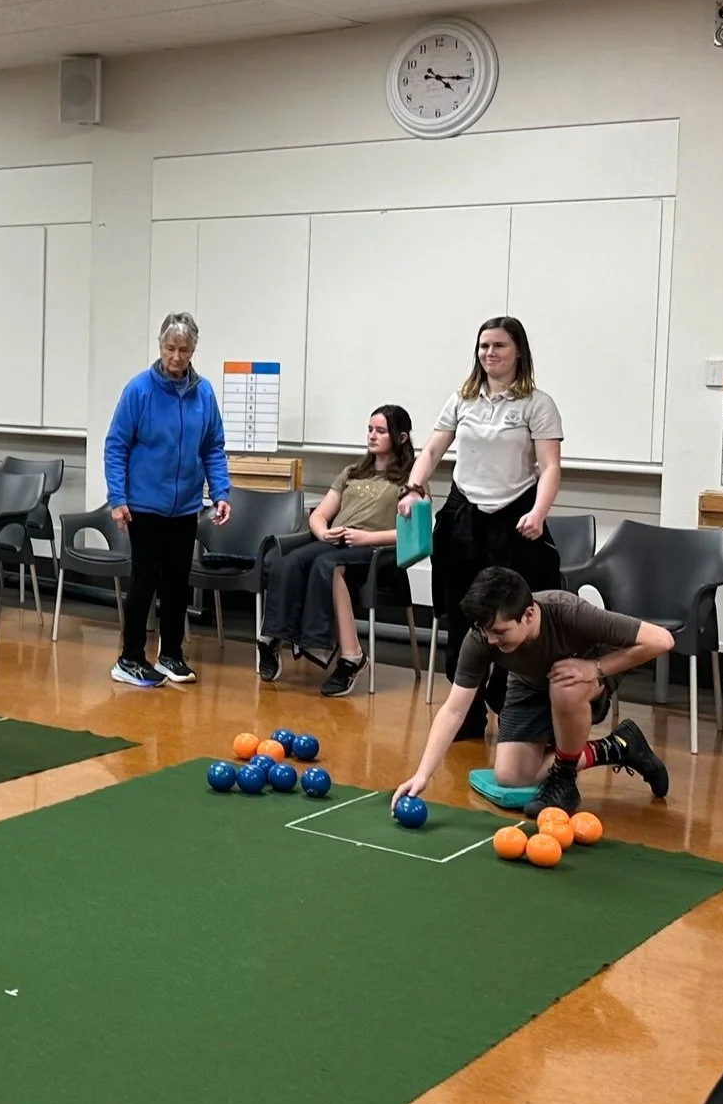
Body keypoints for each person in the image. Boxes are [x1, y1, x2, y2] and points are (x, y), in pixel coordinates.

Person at [393, 567, 672, 820]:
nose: (491, 640)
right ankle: (618, 746)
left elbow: (661, 640)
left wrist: (595, 668)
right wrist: (422, 774)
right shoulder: (482, 636)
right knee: (510, 776)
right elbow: (454, 710)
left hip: (585, 676)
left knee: (565, 684)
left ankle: (563, 776)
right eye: (486, 631)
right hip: (529, 684)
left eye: (500, 632)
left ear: (528, 614)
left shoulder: (567, 611)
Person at [401, 315, 566, 739]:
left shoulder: (537, 403)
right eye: (483, 347)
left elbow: (549, 467)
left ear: (518, 352)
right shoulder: (462, 398)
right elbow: (434, 448)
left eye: (498, 346)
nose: (489, 354)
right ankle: (467, 716)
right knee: (463, 615)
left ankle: (508, 700)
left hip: (515, 514)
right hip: (464, 514)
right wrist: (413, 488)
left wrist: (539, 512)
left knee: (516, 615)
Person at [103, 311, 232, 689]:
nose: (176, 357)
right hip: (143, 504)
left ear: (194, 351)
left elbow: (212, 446)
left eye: (184, 350)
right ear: (160, 346)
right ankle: (129, 657)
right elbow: (116, 446)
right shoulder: (139, 390)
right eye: (170, 348)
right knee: (145, 579)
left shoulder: (203, 392)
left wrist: (220, 491)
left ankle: (171, 653)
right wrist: (117, 497)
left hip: (185, 505)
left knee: (178, 580)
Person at [258, 405, 415, 697]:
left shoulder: (410, 481)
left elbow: (413, 533)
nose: (372, 435)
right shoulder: (351, 472)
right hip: (335, 542)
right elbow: (320, 514)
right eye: (370, 429)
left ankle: (351, 657)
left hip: (374, 552)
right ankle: (271, 638)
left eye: (380, 431)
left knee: (328, 566)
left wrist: (367, 537)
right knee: (285, 562)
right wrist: (323, 532)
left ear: (401, 437)